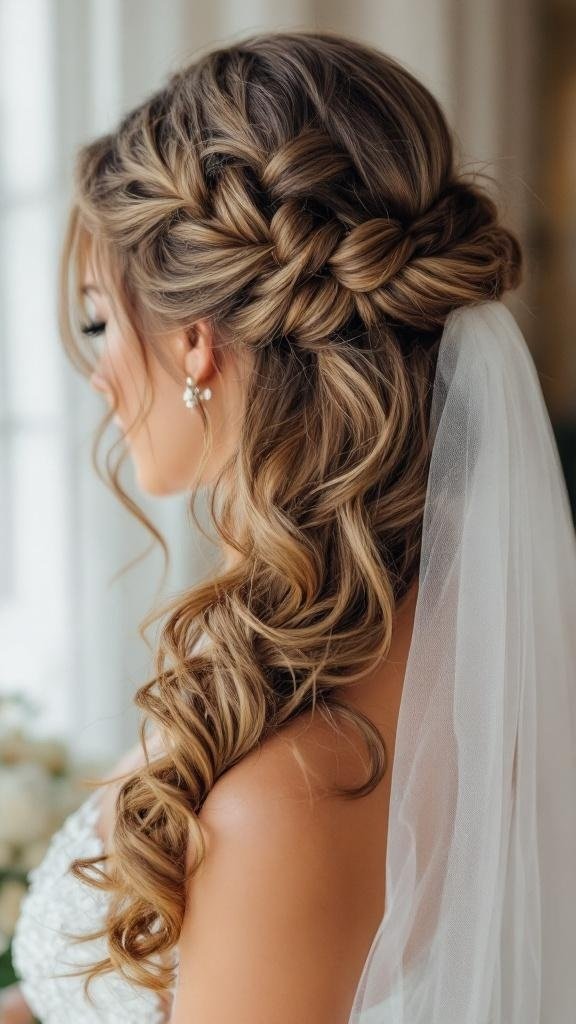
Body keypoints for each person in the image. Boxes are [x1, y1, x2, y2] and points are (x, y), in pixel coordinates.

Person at [3, 28, 575, 1024]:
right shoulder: (376, 648)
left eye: (101, 321)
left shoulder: (293, 788)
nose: (96, 377)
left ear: (195, 342)